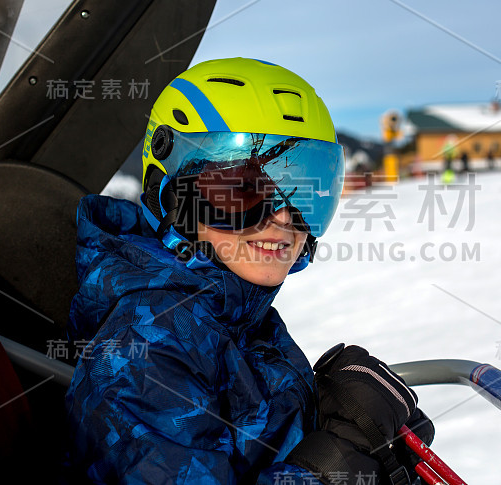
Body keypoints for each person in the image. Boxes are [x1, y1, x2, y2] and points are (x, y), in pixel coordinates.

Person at [64, 58, 433, 484]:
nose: (282, 219)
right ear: (165, 191)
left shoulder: (232, 312)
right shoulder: (144, 347)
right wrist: (336, 463)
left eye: (305, 197)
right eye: (239, 191)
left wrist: (356, 443)